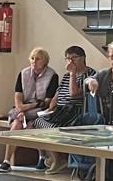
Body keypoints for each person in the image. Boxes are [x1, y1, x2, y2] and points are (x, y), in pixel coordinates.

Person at [37, 45, 97, 174]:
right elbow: (56, 96)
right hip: (60, 111)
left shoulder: (90, 75)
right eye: (67, 59)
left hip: (75, 112)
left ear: (83, 58)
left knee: (51, 129)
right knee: (37, 122)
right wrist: (49, 110)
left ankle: (58, 159)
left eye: (73, 58)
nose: (70, 62)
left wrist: (73, 74)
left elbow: (73, 94)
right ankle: (56, 157)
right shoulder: (66, 76)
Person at [0, 47, 58, 173]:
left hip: (42, 111)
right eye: (32, 58)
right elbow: (18, 103)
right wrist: (26, 108)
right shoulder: (23, 73)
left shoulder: (52, 75)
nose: (34, 61)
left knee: (34, 125)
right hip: (23, 110)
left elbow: (47, 102)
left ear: (45, 61)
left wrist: (30, 107)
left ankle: (42, 157)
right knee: (16, 125)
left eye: (38, 59)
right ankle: (6, 162)